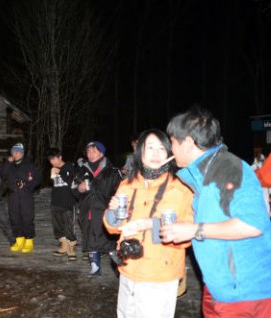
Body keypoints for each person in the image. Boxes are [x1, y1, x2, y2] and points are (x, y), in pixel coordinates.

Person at [161, 107, 271, 317]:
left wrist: (195, 230)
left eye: (172, 142)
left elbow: (253, 224)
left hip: (246, 291)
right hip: (220, 285)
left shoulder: (228, 168)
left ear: (188, 142)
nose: (170, 150)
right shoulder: (203, 175)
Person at [103, 129, 194, 318]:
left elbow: (187, 235)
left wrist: (152, 224)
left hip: (159, 275)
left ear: (169, 153)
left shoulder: (180, 188)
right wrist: (112, 214)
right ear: (140, 152)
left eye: (161, 148)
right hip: (128, 269)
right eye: (149, 147)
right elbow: (113, 227)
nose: (155, 153)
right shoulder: (127, 184)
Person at [72, 141, 122, 276]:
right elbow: (73, 190)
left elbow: (122, 191)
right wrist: (79, 188)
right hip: (87, 211)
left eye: (94, 151)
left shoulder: (112, 171)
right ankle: (95, 267)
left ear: (101, 152)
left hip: (106, 212)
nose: (90, 154)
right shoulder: (81, 171)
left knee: (109, 241)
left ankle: (120, 267)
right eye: (88, 152)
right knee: (90, 238)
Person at [1, 143, 41, 253]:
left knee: (27, 218)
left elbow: (38, 178)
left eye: (18, 152)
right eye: (14, 151)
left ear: (22, 153)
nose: (16, 154)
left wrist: (27, 185)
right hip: (13, 196)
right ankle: (19, 240)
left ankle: (29, 241)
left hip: (26, 196)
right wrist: (7, 163)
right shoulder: (9, 165)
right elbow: (3, 175)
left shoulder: (29, 165)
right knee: (14, 218)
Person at [46, 148, 78, 260]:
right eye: (50, 160)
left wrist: (60, 172)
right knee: (58, 226)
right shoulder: (54, 168)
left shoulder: (69, 166)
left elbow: (72, 181)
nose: (52, 162)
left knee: (68, 226)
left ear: (60, 157)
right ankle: (64, 246)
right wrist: (52, 175)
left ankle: (71, 248)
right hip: (56, 201)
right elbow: (54, 184)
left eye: (54, 159)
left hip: (67, 202)